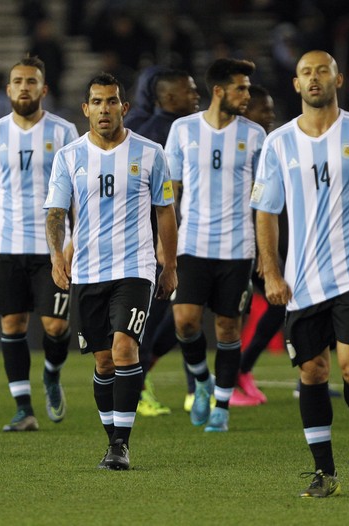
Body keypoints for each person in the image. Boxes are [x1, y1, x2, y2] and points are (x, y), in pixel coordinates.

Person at [251, 50, 349, 498]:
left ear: (337, 79)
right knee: (312, 373)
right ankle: (324, 472)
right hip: (300, 280)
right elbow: (266, 210)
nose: (314, 78)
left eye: (322, 70)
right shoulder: (278, 142)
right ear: (296, 85)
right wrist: (272, 272)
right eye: (306, 73)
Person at [44, 72, 177, 470]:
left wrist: (167, 265)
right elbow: (55, 212)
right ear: (86, 109)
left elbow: (165, 213)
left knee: (124, 349)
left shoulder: (151, 153)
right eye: (97, 102)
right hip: (87, 271)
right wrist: (56, 255)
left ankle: (121, 443)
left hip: (135, 268)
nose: (105, 109)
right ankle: (112, 437)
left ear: (125, 107)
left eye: (112, 101)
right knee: (103, 361)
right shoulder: (69, 156)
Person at [0, 56, 79, 432]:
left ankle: (52, 374)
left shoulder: (64, 132)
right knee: (13, 323)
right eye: (17, 81)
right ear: (7, 89)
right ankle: (23, 408)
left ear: (44, 89)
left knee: (56, 326)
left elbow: (79, 191)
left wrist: (73, 242)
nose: (24, 86)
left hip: (53, 246)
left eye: (31, 81)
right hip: (8, 243)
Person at [164, 58, 266, 432]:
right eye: (241, 88)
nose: (247, 95)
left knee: (227, 329)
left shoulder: (256, 135)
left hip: (238, 249)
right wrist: (165, 245)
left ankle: (221, 407)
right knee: (186, 323)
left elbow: (264, 197)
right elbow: (169, 193)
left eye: (248, 88)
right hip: (192, 244)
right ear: (219, 90)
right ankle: (202, 381)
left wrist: (266, 252)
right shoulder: (183, 130)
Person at [125, 69, 201, 417]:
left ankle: (188, 386)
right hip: (160, 242)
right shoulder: (157, 136)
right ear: (169, 98)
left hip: (188, 238)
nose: (196, 95)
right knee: (156, 317)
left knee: (185, 316)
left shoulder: (190, 128)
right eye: (189, 90)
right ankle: (138, 388)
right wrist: (158, 240)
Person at [232, 83, 280, 407]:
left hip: (254, 245)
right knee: (178, 321)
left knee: (281, 306)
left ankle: (240, 372)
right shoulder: (233, 145)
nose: (271, 116)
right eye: (265, 110)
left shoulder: (269, 146)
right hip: (227, 246)